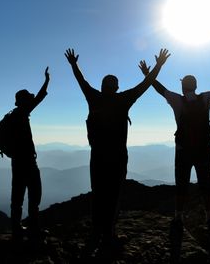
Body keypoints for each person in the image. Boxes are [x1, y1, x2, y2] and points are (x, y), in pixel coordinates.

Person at [64, 48, 170, 251]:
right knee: (113, 195)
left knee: (98, 193)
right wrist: (159, 65)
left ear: (103, 86)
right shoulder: (124, 99)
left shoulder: (93, 97)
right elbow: (145, 85)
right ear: (117, 86)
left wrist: (74, 64)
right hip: (118, 157)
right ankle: (108, 234)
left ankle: (96, 232)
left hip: (97, 157)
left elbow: (81, 81)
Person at [139, 59, 210, 232]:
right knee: (206, 183)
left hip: (183, 150)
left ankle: (178, 216)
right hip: (204, 149)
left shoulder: (177, 100)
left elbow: (159, 89)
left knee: (181, 182)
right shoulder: (206, 98)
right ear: (196, 86)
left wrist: (147, 73)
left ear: (183, 86)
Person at [9, 67, 50, 242]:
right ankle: (33, 229)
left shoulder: (14, 115)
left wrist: (11, 152)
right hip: (27, 162)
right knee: (34, 195)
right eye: (28, 99)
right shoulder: (21, 114)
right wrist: (47, 80)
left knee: (18, 195)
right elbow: (39, 98)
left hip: (18, 162)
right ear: (23, 101)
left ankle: (17, 229)